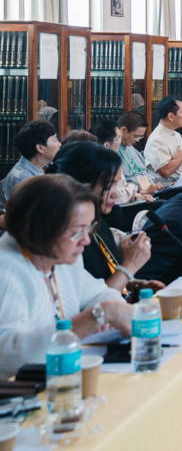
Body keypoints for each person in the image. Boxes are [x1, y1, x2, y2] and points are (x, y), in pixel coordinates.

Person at [0, 175, 133, 378]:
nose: (86, 240)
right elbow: (9, 357)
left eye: (88, 228)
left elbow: (100, 295)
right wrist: (98, 315)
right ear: (42, 228)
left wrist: (110, 311)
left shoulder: (58, 257)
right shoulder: (6, 267)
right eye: (78, 231)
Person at [51, 142, 164, 295]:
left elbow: (103, 279)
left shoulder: (98, 222)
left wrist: (136, 285)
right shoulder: (67, 238)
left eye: (117, 184)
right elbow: (93, 301)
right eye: (110, 185)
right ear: (81, 185)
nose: (116, 193)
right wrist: (130, 266)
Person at [1, 120, 62, 211]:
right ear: (40, 148)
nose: (59, 144)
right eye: (55, 140)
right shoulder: (21, 178)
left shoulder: (47, 167)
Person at [143, 96, 182, 186]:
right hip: (166, 189)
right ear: (171, 116)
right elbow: (166, 172)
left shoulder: (177, 135)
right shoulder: (157, 139)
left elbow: (181, 164)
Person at [116, 111, 162, 200]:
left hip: (150, 194)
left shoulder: (131, 148)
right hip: (134, 198)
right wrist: (141, 191)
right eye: (136, 136)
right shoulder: (113, 152)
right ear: (123, 130)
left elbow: (144, 171)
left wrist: (156, 186)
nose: (138, 140)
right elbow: (120, 186)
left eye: (140, 137)